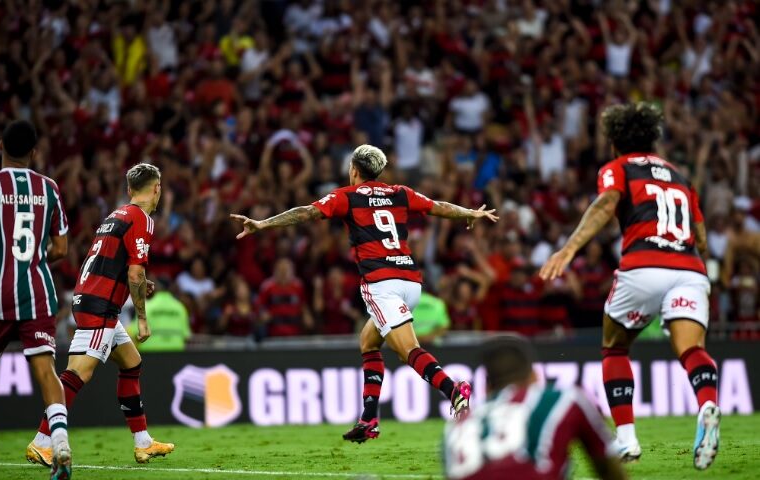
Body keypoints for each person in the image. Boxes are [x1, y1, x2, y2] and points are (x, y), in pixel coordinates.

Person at [231, 144, 498, 442]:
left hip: (381, 284)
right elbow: (440, 207)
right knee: (368, 342)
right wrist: (470, 213)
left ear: (354, 170)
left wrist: (264, 223)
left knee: (408, 350)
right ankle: (369, 418)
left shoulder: (347, 196)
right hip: (410, 282)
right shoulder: (400, 192)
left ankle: (454, 390)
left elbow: (306, 212)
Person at [540, 103, 720, 470]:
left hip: (644, 267)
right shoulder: (680, 176)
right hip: (689, 269)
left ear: (614, 142)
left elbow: (607, 203)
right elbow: (701, 238)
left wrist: (570, 248)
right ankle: (707, 404)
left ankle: (626, 439)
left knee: (614, 346)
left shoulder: (618, 168)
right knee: (691, 349)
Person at [26, 164, 174, 467]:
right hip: (100, 306)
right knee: (79, 373)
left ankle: (143, 442)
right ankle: (43, 441)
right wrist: (142, 319)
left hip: (92, 297)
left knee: (132, 363)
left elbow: (113, 264)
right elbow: (134, 272)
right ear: (157, 188)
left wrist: (139, 283)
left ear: (130, 190)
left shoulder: (115, 216)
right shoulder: (141, 219)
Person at [0, 120, 72, 480]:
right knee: (45, 369)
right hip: (38, 290)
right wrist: (36, 257)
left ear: (0, 145)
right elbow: (62, 248)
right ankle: (61, 441)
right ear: (34, 152)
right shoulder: (49, 188)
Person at [443, 334, 626, 480]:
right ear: (534, 376)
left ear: (487, 387)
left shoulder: (454, 428)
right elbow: (608, 470)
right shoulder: (566, 398)